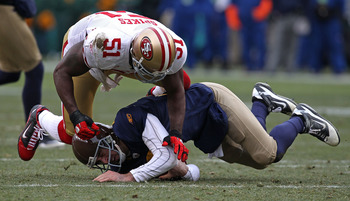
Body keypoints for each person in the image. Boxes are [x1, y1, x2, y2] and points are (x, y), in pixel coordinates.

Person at [17, 81, 340, 182]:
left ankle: (302, 119)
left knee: (267, 153)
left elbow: (167, 153)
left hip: (212, 102)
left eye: (101, 152)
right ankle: (263, 102)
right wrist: (178, 173)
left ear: (105, 136)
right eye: (100, 161)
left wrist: (129, 179)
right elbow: (190, 169)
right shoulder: (125, 155)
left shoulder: (129, 121)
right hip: (204, 131)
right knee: (257, 160)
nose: (106, 161)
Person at [18, 10, 191, 161]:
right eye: (150, 71)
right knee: (73, 134)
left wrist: (176, 134)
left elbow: (176, 90)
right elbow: (61, 72)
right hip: (91, 51)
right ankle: (39, 117)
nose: (155, 76)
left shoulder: (175, 47)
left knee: (183, 83)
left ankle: (154, 93)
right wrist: (76, 116)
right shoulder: (103, 45)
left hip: (127, 48)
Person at [0, 0, 63, 148]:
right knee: (35, 68)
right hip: (6, 9)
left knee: (11, 72)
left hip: (7, 9)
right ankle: (33, 133)